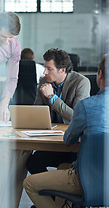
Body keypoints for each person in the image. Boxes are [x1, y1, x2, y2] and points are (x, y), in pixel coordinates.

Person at [23, 50, 109, 208]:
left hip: (83, 179)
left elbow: (69, 139)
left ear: (99, 74)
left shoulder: (86, 106)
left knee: (29, 184)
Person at [26, 48, 90, 176]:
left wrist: (52, 97)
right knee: (32, 162)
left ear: (62, 70)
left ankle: (57, 191)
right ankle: (51, 195)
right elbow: (37, 111)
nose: (44, 72)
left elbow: (76, 117)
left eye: (49, 69)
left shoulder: (81, 83)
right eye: (45, 68)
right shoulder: (44, 81)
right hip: (52, 139)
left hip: (73, 145)